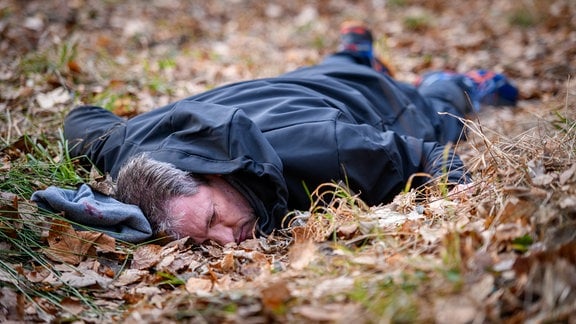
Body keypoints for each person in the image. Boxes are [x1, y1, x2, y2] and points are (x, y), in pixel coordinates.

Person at [63, 22, 518, 245]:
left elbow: (428, 154)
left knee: (436, 109)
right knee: (335, 70)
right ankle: (352, 53)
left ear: (213, 173)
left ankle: (457, 82)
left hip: (373, 102)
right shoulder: (131, 149)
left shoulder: (329, 147)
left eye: (212, 220)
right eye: (201, 241)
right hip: (304, 81)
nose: (226, 242)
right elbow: (81, 121)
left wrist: (468, 208)